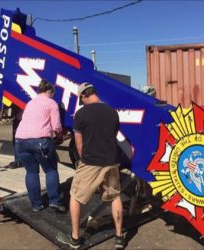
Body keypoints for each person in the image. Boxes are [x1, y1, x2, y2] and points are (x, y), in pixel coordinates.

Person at [65, 82, 125, 249]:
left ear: (84, 95)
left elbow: (79, 143)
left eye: (81, 99)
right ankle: (119, 237)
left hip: (91, 161)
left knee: (75, 196)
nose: (81, 101)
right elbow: (112, 136)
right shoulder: (113, 113)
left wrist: (83, 160)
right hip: (111, 160)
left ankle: (75, 238)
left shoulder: (81, 114)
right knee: (114, 196)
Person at [15, 80, 65, 213]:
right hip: (41, 141)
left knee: (31, 172)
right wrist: (60, 136)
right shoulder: (51, 103)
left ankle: (36, 205)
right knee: (51, 170)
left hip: (21, 140)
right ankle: (54, 201)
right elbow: (56, 126)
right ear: (51, 91)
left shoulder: (30, 103)